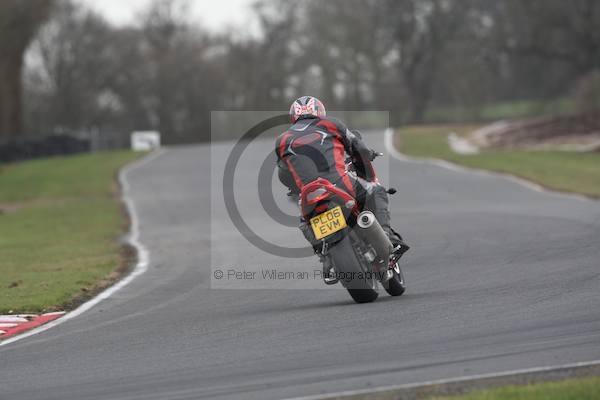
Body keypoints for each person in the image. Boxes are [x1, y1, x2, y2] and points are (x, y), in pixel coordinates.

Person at [275, 96, 409, 270]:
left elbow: (283, 173)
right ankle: (387, 235)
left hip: (310, 194)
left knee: (304, 222)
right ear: (319, 111)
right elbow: (358, 148)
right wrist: (367, 157)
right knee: (376, 190)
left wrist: (296, 189)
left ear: (293, 115)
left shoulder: (282, 140)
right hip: (339, 184)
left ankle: (325, 258)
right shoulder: (331, 124)